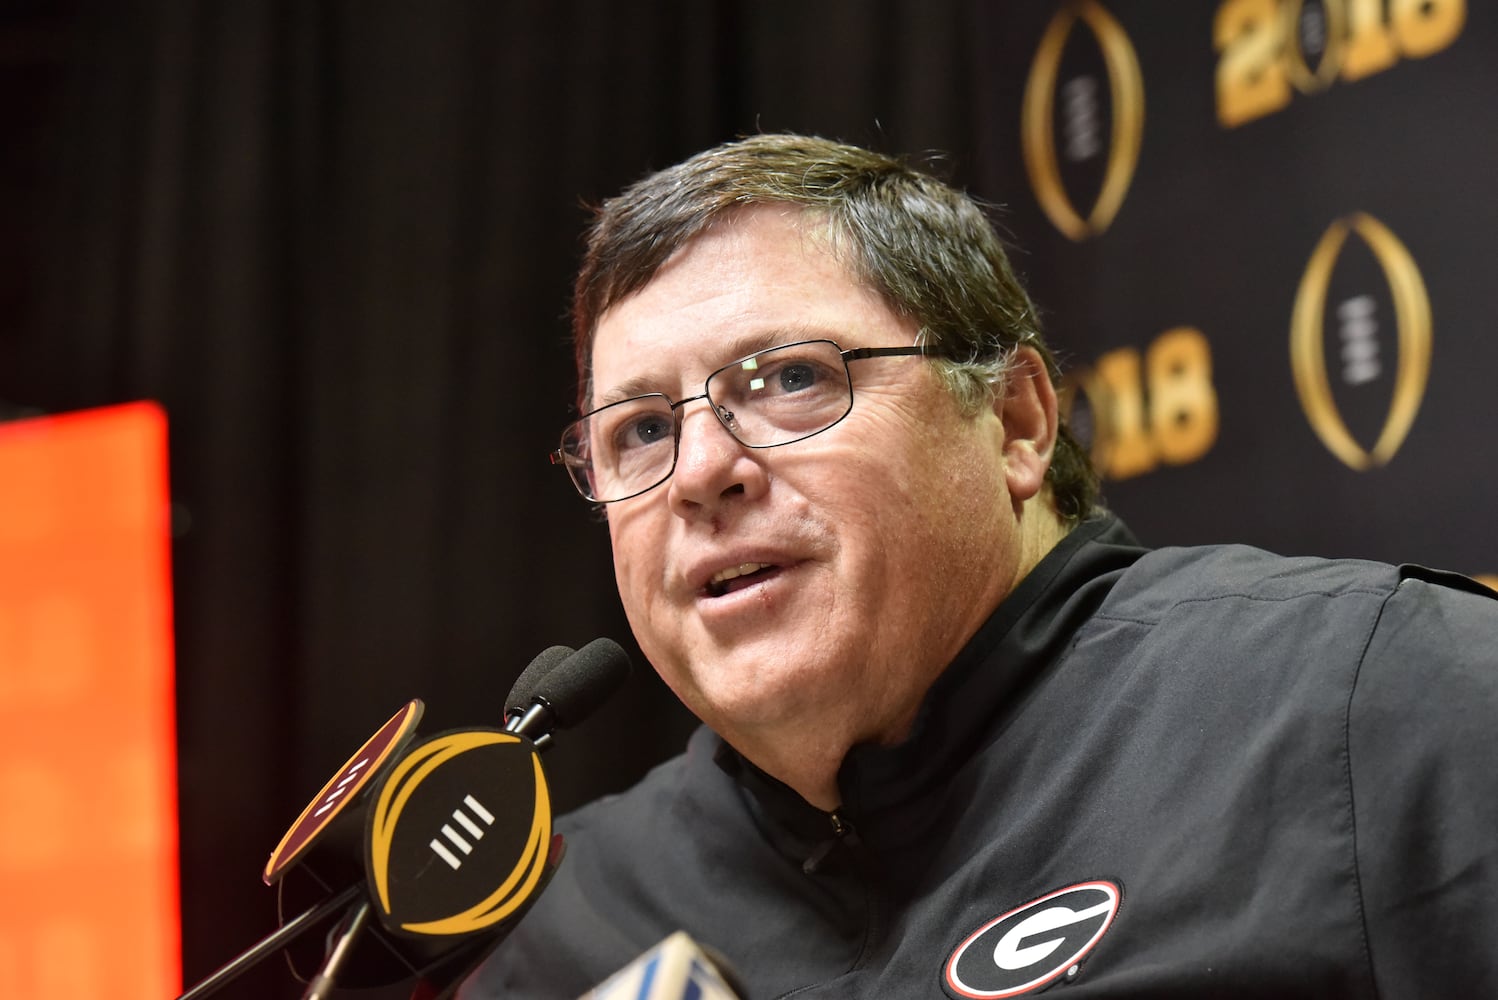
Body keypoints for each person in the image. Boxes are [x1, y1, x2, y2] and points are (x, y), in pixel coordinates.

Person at [461, 134, 1498, 998]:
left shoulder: (1379, 706)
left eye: (787, 378)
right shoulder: (564, 928)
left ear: (1013, 421)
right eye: (638, 430)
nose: (699, 471)